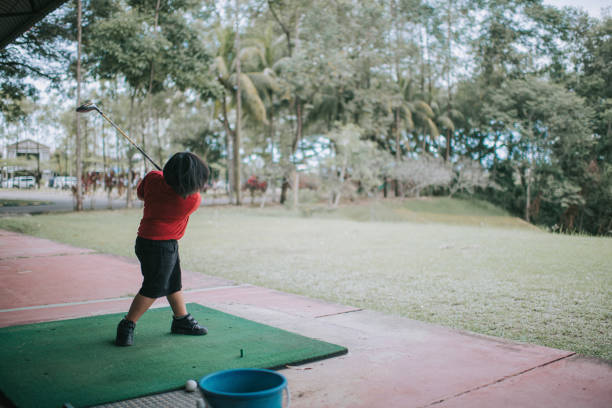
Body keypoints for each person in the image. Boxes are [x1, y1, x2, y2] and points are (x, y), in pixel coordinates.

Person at [115, 152, 210, 346]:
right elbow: (188, 190)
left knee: (173, 281)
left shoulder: (152, 177)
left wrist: (160, 177)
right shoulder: (192, 200)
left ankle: (181, 319)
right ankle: (127, 324)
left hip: (148, 241)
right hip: (161, 246)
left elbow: (142, 194)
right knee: (154, 287)